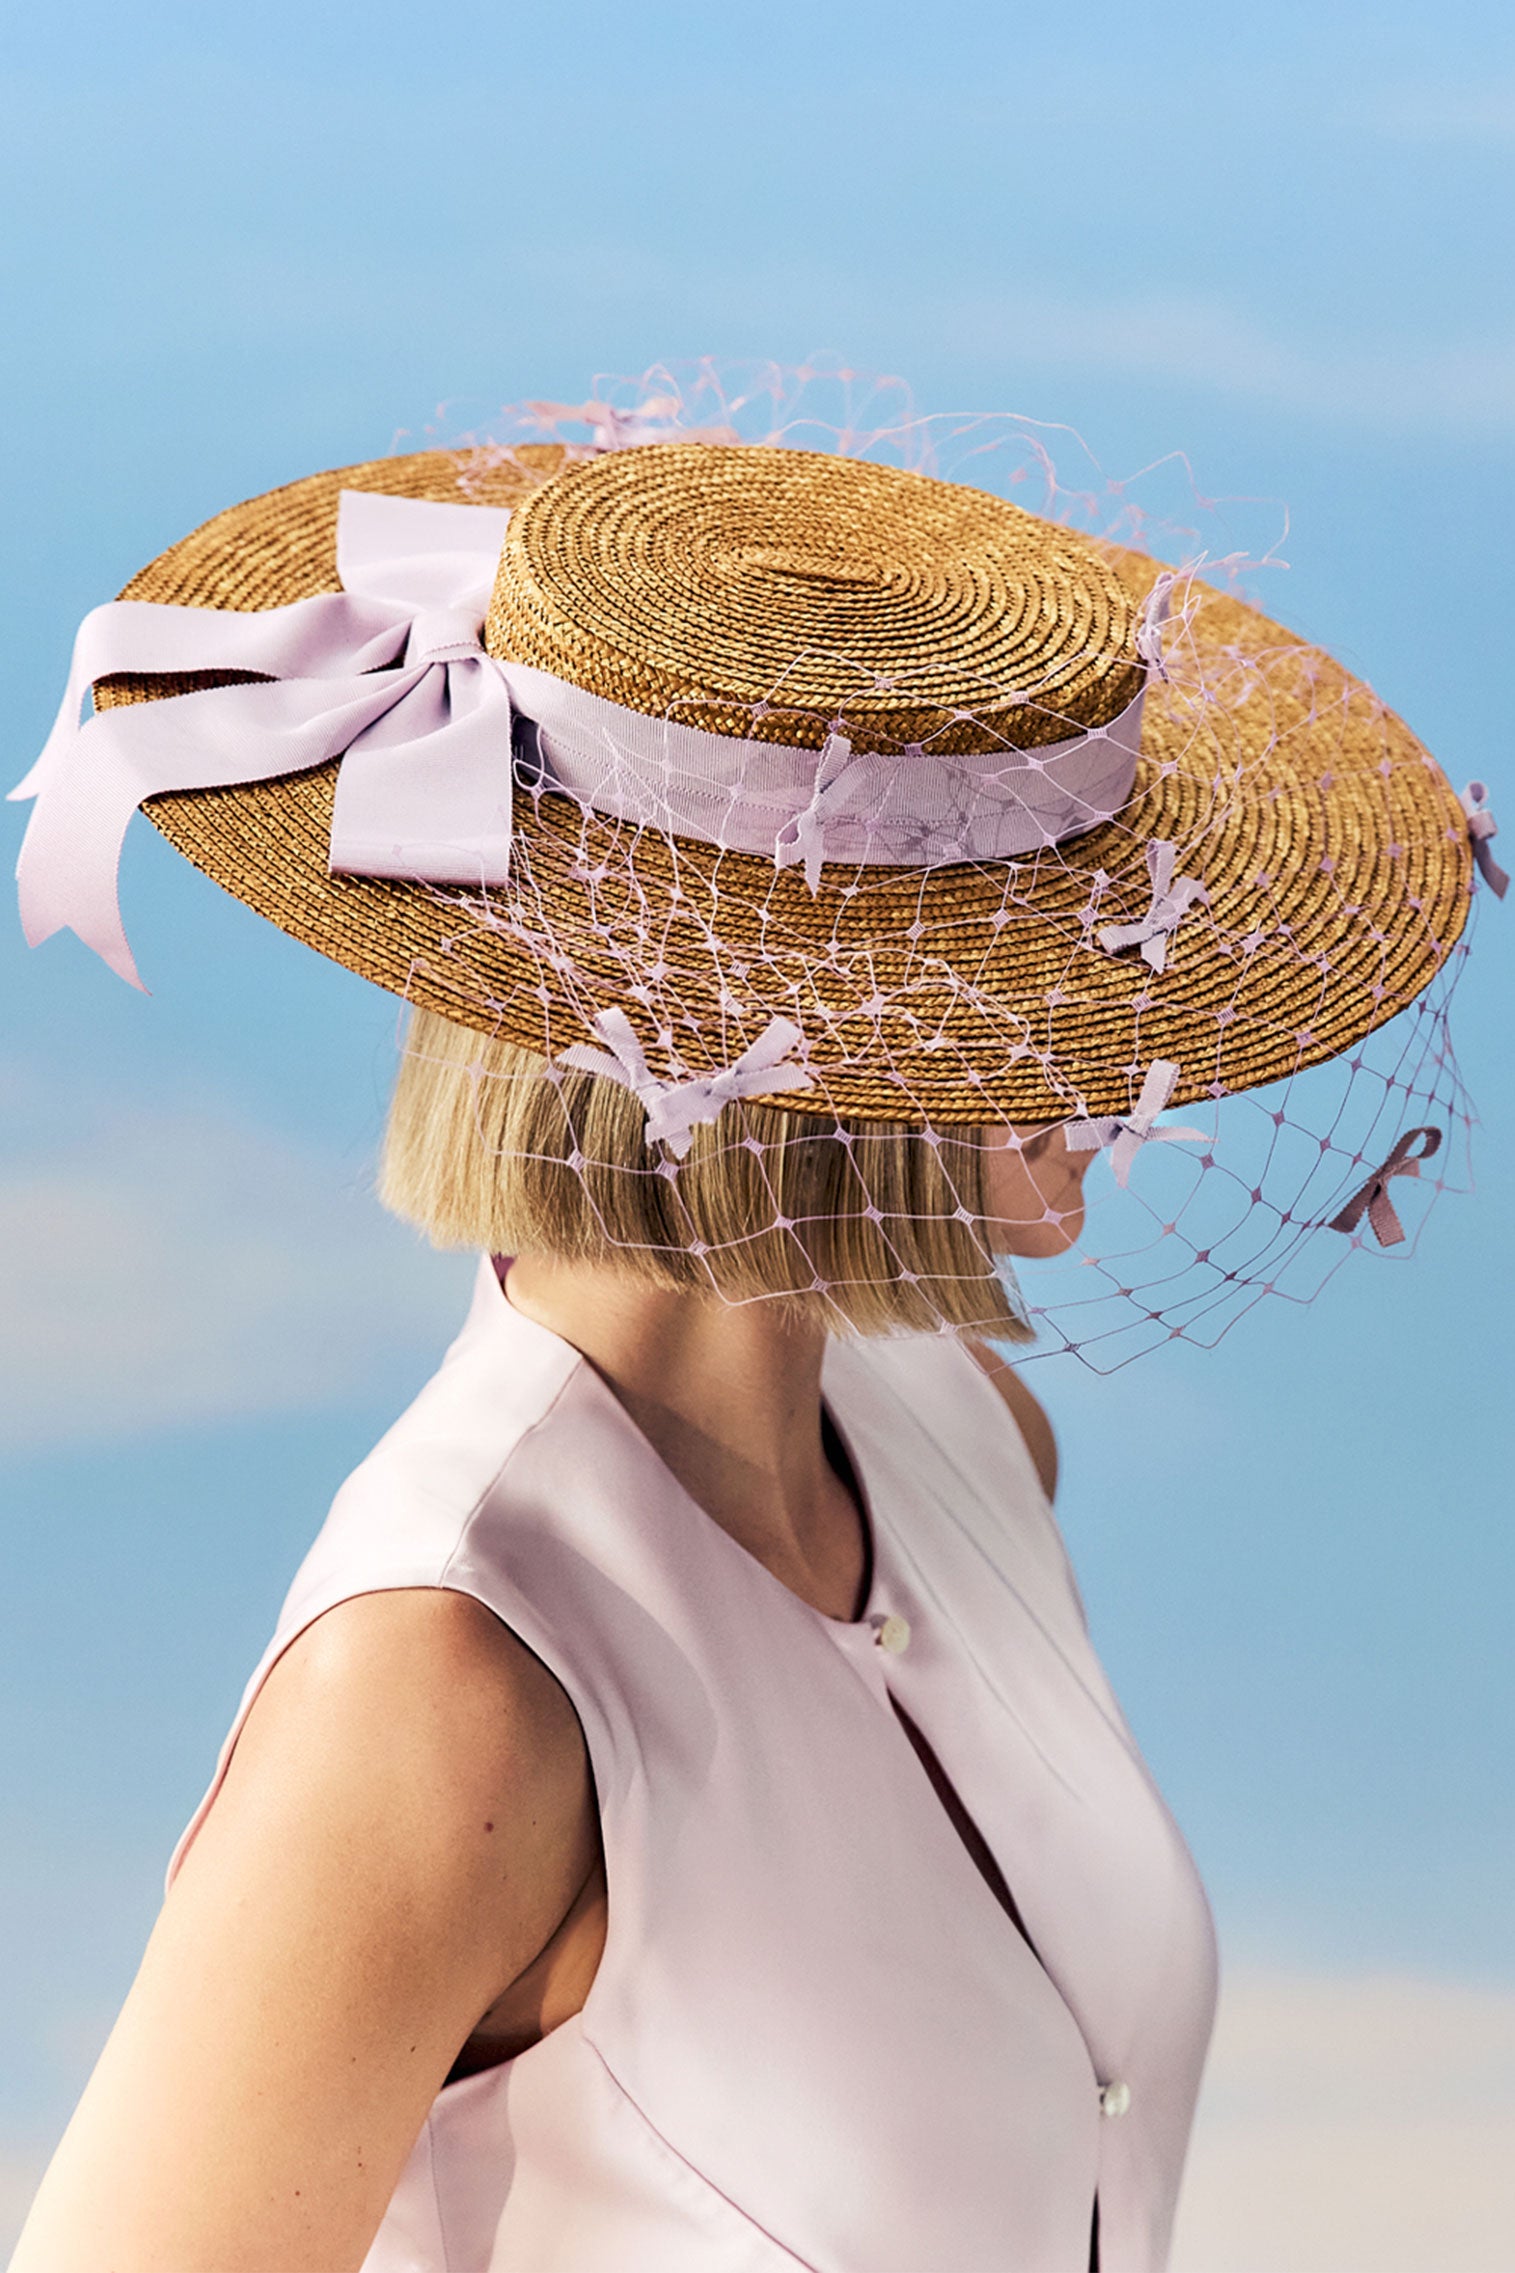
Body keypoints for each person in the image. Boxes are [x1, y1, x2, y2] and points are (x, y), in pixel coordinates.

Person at [6, 420, 1478, 2272]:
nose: (1123, 1026)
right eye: (1016, 957)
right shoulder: (446, 1673)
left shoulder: (965, 1434)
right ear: (773, 1049)